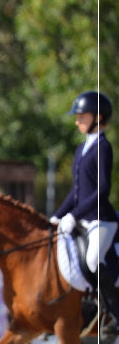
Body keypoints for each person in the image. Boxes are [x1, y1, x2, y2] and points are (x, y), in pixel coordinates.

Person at [50, 90, 119, 326]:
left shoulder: (103, 147)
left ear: (98, 117)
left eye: (82, 116)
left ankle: (115, 313)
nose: (77, 120)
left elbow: (102, 190)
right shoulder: (81, 149)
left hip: (102, 220)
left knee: (92, 260)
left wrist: (74, 215)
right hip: (82, 220)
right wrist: (57, 216)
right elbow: (77, 192)